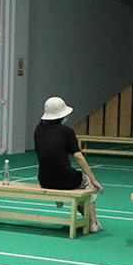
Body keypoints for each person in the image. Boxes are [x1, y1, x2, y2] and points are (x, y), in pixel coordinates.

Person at [33, 97, 104, 233]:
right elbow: (78, 156)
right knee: (87, 183)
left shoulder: (38, 130)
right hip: (66, 180)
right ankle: (93, 223)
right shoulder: (67, 132)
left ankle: (62, 201)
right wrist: (93, 179)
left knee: (76, 185)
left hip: (44, 180)